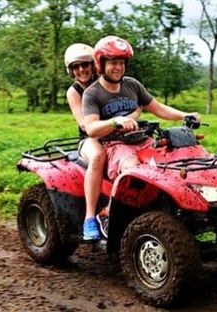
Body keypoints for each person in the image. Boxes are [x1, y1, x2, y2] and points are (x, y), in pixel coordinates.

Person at [82, 36, 201, 229]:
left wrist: (184, 114)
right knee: (133, 169)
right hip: (115, 145)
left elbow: (158, 108)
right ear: (100, 64)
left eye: (121, 63)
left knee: (173, 163)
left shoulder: (132, 85)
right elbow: (91, 128)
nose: (118, 67)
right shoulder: (93, 93)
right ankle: (107, 213)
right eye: (112, 63)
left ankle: (179, 209)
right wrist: (115, 122)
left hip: (143, 141)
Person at [63, 43, 107, 241]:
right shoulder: (74, 92)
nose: (81, 70)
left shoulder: (104, 83)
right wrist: (114, 124)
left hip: (114, 136)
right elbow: (84, 124)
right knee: (98, 155)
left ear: (93, 65)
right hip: (89, 139)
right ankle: (90, 218)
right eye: (76, 67)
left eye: (85, 65)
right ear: (71, 70)